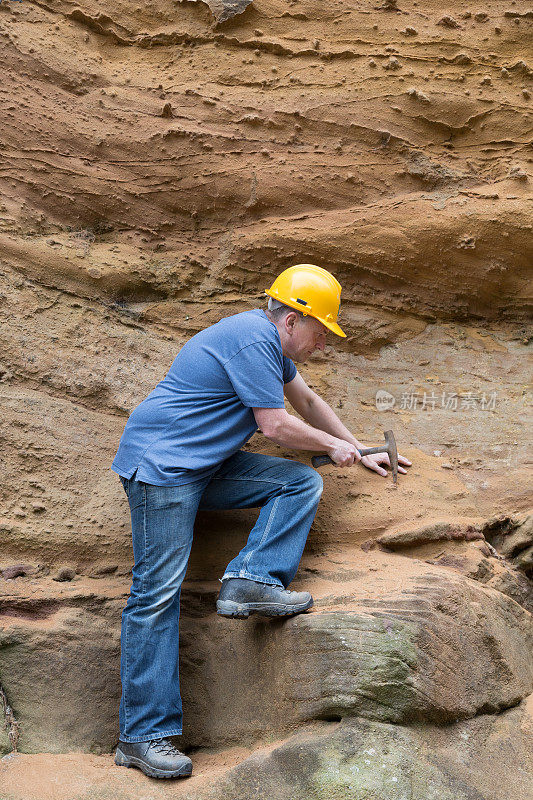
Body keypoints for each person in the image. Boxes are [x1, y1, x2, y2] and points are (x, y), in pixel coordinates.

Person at [111, 263, 411, 779]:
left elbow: (308, 402)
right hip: (163, 470)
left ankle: (250, 579)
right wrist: (332, 446)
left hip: (204, 468)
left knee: (298, 482)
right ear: (293, 319)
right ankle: (141, 736)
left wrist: (359, 450)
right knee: (156, 594)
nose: (324, 343)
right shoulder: (251, 339)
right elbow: (275, 426)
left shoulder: (271, 346)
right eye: (322, 331)